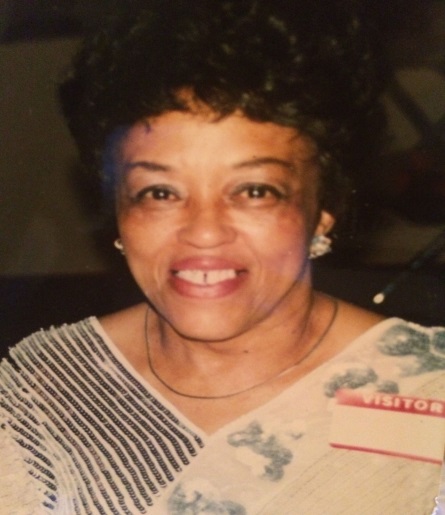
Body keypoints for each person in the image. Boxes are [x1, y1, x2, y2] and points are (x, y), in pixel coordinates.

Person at [1, 1, 444, 513]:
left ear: (323, 210)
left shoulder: (426, 391)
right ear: (118, 212)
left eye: (254, 191)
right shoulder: (44, 391)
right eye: (159, 193)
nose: (204, 233)